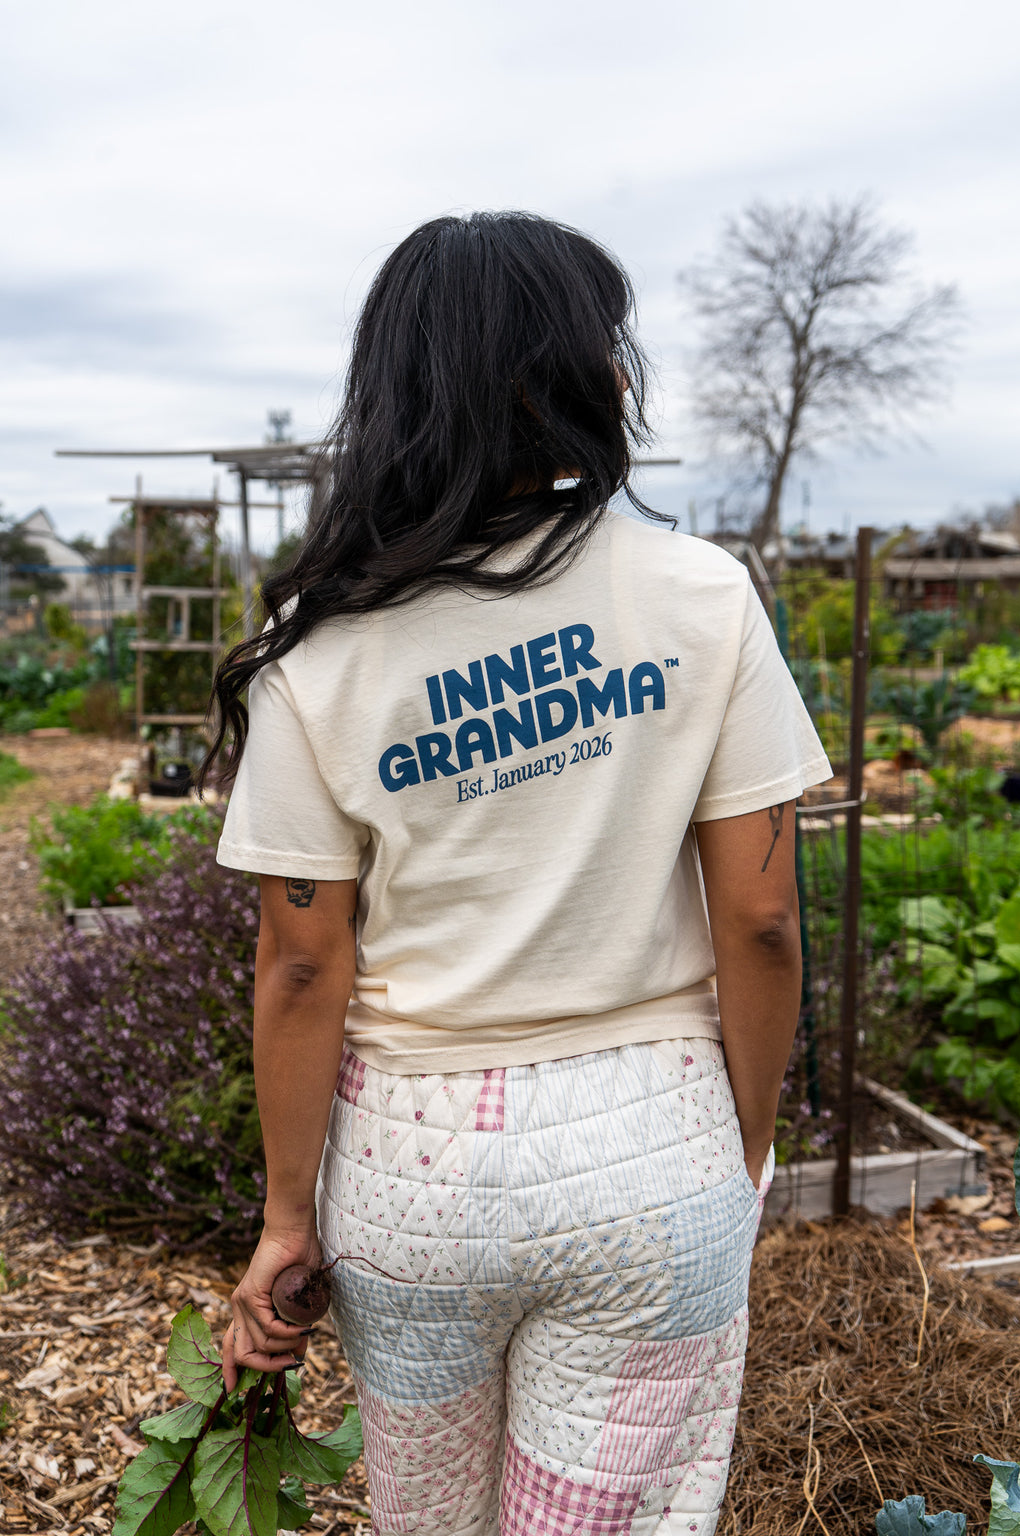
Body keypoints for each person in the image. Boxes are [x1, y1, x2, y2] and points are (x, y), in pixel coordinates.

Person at [205, 210, 831, 1536]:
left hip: (409, 1175)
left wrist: (282, 1220)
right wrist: (746, 1147)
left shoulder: (321, 645)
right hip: (648, 1153)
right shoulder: (702, 595)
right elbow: (764, 923)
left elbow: (304, 961)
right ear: (578, 380)